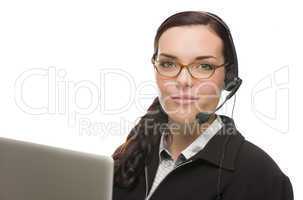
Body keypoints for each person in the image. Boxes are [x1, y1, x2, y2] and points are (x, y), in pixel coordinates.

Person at [111, 10, 294, 200]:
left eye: (204, 66)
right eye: (168, 63)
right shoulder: (127, 158)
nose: (183, 80)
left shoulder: (262, 177)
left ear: (228, 78)